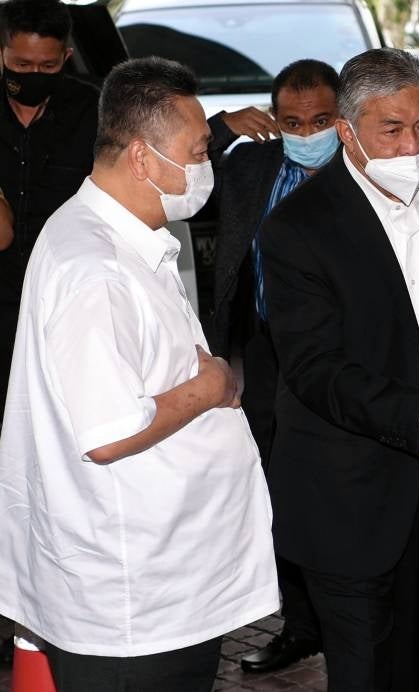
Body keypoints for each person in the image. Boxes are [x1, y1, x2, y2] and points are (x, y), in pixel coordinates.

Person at [0, 56, 278, 691]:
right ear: (144, 159)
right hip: (131, 603)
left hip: (162, 582)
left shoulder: (123, 235)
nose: (207, 164)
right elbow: (109, 431)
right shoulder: (94, 266)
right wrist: (207, 390)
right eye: (198, 149)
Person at [260, 47, 419, 691]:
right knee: (364, 670)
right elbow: (316, 369)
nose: (413, 144)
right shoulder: (297, 228)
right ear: (348, 131)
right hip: (348, 489)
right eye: (391, 129)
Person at [211, 58, 341, 675]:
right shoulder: (250, 165)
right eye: (292, 120)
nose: (306, 131)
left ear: (342, 118)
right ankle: (300, 624)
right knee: (274, 489)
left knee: (332, 486)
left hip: (339, 357)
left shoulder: (362, 168)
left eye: (320, 119)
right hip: (266, 353)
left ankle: (344, 621)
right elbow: (175, 174)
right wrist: (218, 129)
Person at [0, 0, 98, 436]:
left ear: (66, 58)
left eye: (47, 65)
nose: (33, 75)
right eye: (21, 63)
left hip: (63, 299)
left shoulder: (92, 111)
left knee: (60, 425)